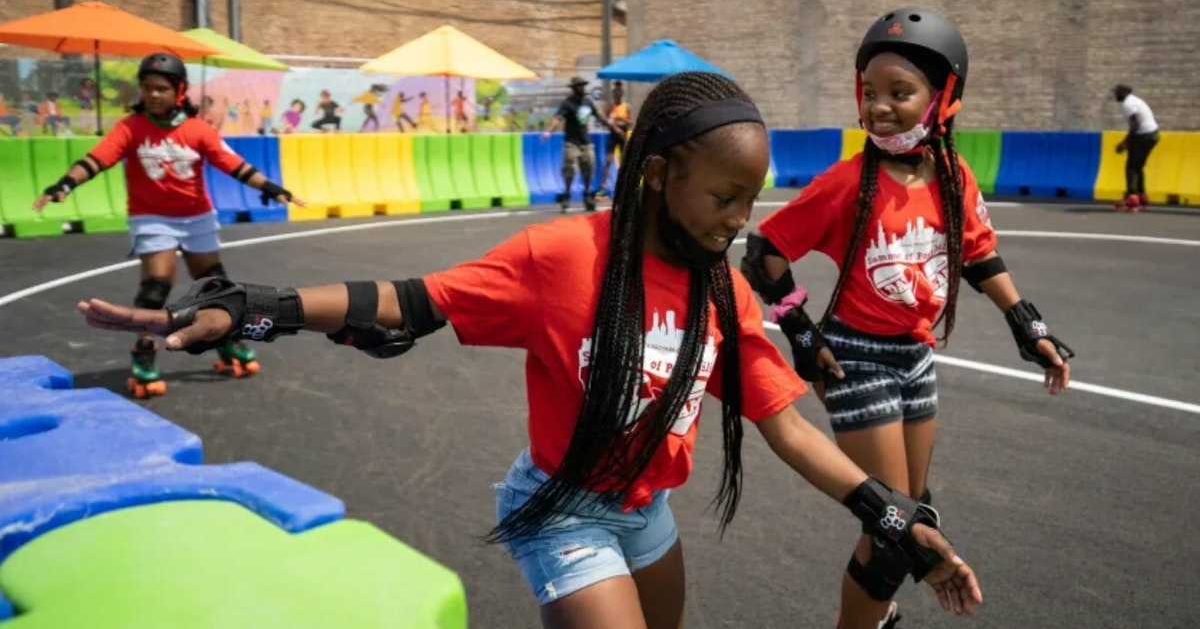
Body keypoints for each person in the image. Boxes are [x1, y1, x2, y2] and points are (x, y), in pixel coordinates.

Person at [76, 71, 982, 629]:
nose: (741, 222)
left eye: (753, 200)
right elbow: (407, 303)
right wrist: (254, 310)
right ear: (660, 176)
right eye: (723, 198)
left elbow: (786, 425)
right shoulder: (565, 259)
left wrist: (890, 512)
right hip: (565, 508)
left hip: (645, 511)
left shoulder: (725, 289)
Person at [741, 10, 1070, 629]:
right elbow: (765, 254)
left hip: (915, 355)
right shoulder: (845, 184)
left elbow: (976, 252)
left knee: (912, 508)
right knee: (895, 524)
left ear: (943, 98)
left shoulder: (951, 176)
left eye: (900, 93)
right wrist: (803, 335)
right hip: (854, 356)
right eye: (869, 92)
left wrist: (1028, 324)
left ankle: (880, 614)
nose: (879, 107)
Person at [34, 52, 304, 398]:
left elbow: (233, 164)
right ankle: (144, 354)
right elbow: (95, 160)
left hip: (197, 217)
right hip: (152, 218)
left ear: (179, 91)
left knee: (216, 285)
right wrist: (64, 185)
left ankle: (224, 340)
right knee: (156, 286)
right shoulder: (129, 129)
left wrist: (270, 188)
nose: (153, 95)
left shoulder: (197, 130)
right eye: (147, 88)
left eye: (161, 88)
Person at [541, 76, 616, 212]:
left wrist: (612, 127)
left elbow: (599, 115)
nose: (582, 88)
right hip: (571, 142)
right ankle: (567, 195)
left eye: (583, 85)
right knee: (569, 168)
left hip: (585, 142)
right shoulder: (568, 103)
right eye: (580, 86)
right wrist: (548, 132)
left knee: (589, 168)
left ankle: (587, 195)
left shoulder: (587, 102)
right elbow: (558, 118)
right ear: (574, 88)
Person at [1112, 84, 1159, 212]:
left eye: (1116, 92)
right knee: (1138, 165)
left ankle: (1132, 198)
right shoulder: (1135, 100)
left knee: (1132, 167)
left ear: (1123, 93)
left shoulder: (1128, 104)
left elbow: (1136, 123)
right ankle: (1141, 196)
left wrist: (1125, 143)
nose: (1115, 95)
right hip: (1152, 134)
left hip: (1144, 135)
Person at [599, 79, 633, 197]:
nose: (617, 93)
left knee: (625, 161)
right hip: (613, 136)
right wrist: (614, 126)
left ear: (622, 92)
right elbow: (606, 121)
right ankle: (603, 187)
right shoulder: (610, 107)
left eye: (619, 91)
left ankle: (626, 185)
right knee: (608, 161)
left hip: (622, 136)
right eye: (615, 91)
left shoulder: (626, 106)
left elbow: (630, 122)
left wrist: (621, 123)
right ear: (613, 93)